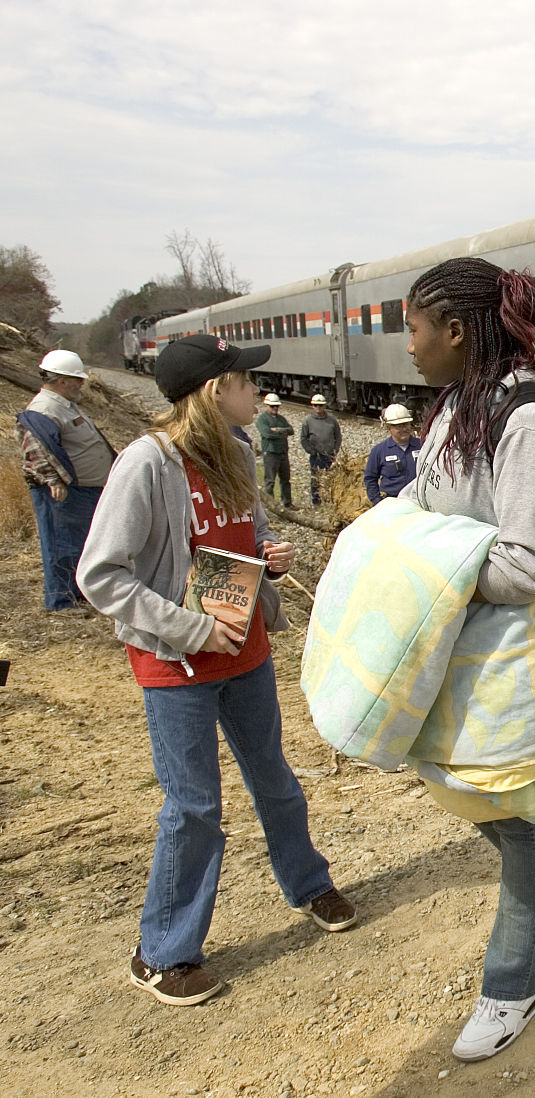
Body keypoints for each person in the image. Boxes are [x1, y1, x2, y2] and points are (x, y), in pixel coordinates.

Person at [76, 334, 355, 1007]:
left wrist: (269, 554)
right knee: (195, 807)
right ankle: (162, 952)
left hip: (246, 653)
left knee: (277, 783)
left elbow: (240, 535)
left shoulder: (234, 448)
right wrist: (193, 627)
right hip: (177, 664)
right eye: (245, 381)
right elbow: (100, 575)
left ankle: (306, 882)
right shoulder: (147, 464)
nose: (258, 392)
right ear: (213, 390)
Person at [402, 257, 535, 1060]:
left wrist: (436, 569)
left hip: (519, 656)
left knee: (516, 812)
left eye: (415, 330)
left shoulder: (522, 412)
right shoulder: (459, 403)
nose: (409, 348)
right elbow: (433, 510)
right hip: (469, 646)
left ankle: (511, 983)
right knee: (472, 795)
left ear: (456, 331)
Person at [16, 349, 114, 610]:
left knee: (79, 543)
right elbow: (34, 448)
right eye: (77, 379)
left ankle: (78, 594)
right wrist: (53, 480)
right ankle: (61, 602)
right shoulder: (43, 408)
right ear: (62, 380)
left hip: (83, 490)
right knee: (62, 545)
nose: (81, 383)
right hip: (64, 492)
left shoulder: (64, 405)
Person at [362, 404, 421, 502]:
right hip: (392, 501)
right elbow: (370, 478)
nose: (404, 429)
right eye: (399, 426)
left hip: (417, 500)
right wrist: (377, 501)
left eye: (406, 424)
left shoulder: (422, 446)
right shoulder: (379, 451)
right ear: (389, 428)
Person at [298, 394, 341, 506]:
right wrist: (311, 451)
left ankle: (330, 500)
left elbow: (338, 436)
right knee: (315, 480)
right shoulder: (307, 421)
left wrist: (335, 451)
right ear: (312, 406)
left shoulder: (332, 421)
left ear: (324, 406)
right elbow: (303, 438)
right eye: (316, 405)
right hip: (316, 456)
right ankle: (316, 501)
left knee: (331, 479)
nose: (318, 408)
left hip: (330, 455)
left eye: (320, 405)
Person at [255, 393, 293, 506]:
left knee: (285, 479)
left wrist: (277, 430)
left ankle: (287, 503)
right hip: (270, 453)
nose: (275, 408)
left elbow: (291, 430)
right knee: (270, 481)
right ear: (266, 406)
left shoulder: (281, 419)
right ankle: (270, 505)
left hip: (282, 452)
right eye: (272, 406)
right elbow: (267, 434)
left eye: (277, 406)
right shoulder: (262, 419)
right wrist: (282, 432)